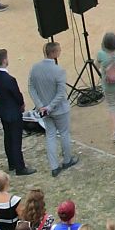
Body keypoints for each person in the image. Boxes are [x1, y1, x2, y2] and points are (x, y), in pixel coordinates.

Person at [27, 43, 76, 178]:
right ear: (54, 53)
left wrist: (40, 106)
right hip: (59, 110)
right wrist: (49, 107)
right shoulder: (59, 70)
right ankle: (67, 160)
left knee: (51, 136)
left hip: (44, 110)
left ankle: (54, 166)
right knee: (64, 134)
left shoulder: (35, 68)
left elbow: (31, 88)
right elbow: (61, 93)